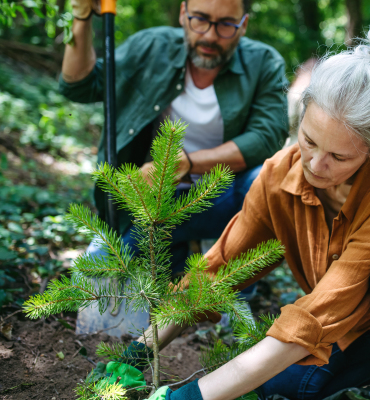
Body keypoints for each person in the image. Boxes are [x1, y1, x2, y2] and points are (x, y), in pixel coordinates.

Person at [110, 23, 370, 400]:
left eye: (338, 156)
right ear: (302, 114)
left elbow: (321, 311)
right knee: (290, 385)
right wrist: (140, 352)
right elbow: (220, 267)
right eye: (309, 141)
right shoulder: (278, 175)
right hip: (366, 315)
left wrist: (194, 396)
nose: (316, 165)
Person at [62, 0, 288, 277]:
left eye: (226, 24)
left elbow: (267, 137)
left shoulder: (264, 62)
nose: (209, 35)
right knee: (93, 276)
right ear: (183, 13)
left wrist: (187, 163)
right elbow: (80, 85)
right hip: (150, 203)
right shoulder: (150, 47)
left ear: (244, 25)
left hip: (223, 198)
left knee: (266, 182)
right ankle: (191, 251)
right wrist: (81, 18)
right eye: (200, 19)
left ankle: (231, 270)